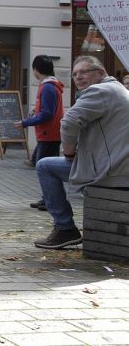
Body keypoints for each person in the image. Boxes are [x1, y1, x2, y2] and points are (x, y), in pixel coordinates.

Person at [34, 55, 129, 249]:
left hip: (111, 170)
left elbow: (68, 123)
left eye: (84, 72)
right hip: (120, 166)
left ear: (101, 72)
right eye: (75, 74)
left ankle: (64, 228)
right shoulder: (119, 89)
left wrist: (69, 153)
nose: (78, 77)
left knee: (44, 166)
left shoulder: (100, 91)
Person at [14, 55, 64, 209]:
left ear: (36, 69)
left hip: (49, 135)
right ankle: (47, 199)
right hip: (49, 134)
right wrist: (36, 111)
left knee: (46, 170)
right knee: (45, 168)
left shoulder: (48, 87)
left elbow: (47, 114)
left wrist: (25, 123)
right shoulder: (50, 85)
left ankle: (50, 201)